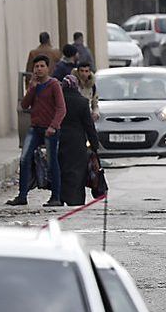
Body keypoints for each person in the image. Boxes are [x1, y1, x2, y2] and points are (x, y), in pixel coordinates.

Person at [7, 55, 66, 207]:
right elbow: (25, 105)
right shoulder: (35, 86)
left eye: (41, 66)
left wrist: (53, 126)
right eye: (36, 67)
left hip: (50, 130)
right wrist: (31, 88)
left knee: (52, 162)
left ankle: (56, 197)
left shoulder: (54, 85)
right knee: (24, 159)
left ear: (48, 68)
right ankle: (22, 196)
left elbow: (61, 108)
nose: (39, 69)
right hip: (35, 128)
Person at [57, 75, 100, 206]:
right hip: (77, 141)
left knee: (62, 168)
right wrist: (95, 144)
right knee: (78, 171)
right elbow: (88, 125)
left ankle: (60, 196)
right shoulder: (82, 102)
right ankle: (76, 199)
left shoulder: (58, 101)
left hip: (60, 139)